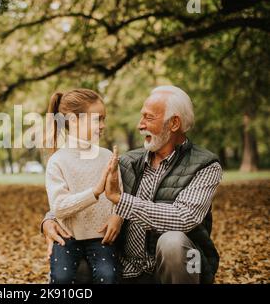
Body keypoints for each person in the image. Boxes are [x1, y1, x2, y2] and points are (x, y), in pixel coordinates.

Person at [42, 86, 222, 284]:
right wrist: (49, 220)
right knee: (74, 265)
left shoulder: (206, 166)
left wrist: (122, 201)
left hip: (173, 269)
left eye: (148, 117)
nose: (139, 125)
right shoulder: (127, 161)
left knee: (173, 242)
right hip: (127, 268)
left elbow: (184, 217)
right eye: (141, 117)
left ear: (174, 123)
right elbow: (81, 192)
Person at [44, 88, 123, 284]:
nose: (103, 125)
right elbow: (59, 207)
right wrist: (95, 192)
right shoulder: (57, 161)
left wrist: (117, 217)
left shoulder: (107, 157)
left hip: (101, 239)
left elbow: (120, 196)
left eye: (104, 119)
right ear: (72, 120)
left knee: (109, 276)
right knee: (61, 278)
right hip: (67, 238)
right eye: (98, 119)